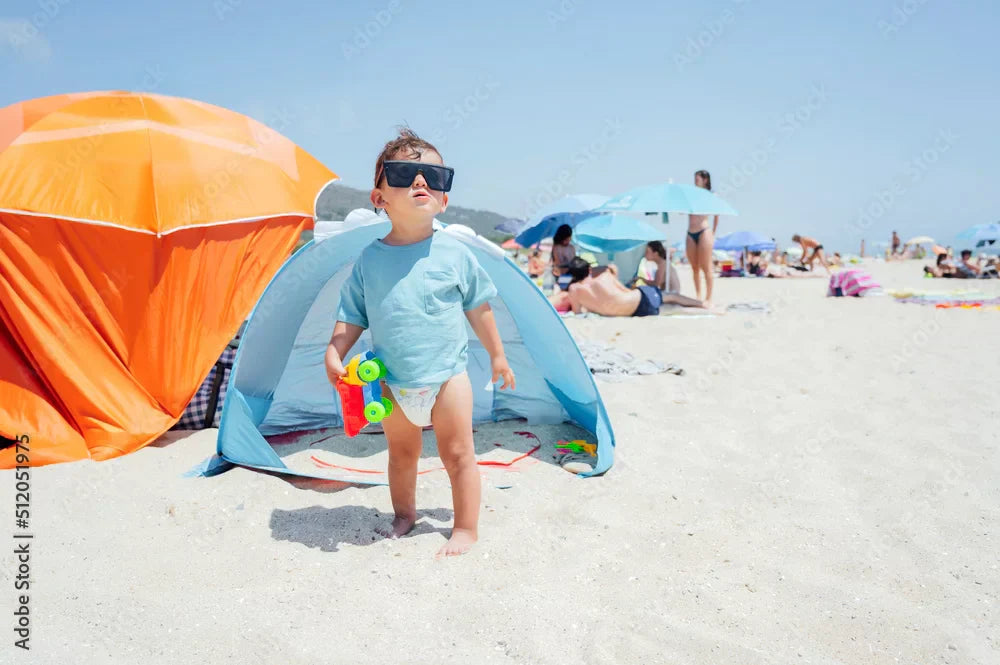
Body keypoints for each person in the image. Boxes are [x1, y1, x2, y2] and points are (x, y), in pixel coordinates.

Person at [324, 128, 515, 558]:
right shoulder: (369, 260)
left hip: (448, 378)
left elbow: (479, 309)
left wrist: (498, 356)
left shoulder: (455, 254)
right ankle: (404, 513)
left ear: (444, 200)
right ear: (379, 198)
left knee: (459, 454)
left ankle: (465, 527)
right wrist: (335, 350)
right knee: (401, 453)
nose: (421, 182)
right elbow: (351, 314)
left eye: (434, 175)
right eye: (405, 172)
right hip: (392, 380)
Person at [560, 257, 707, 316]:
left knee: (675, 310)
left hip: (632, 312)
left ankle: (706, 309)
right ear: (590, 270)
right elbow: (625, 291)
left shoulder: (574, 290)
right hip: (638, 298)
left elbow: (578, 312)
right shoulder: (604, 277)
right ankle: (704, 305)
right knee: (672, 297)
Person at [686, 170, 719, 306]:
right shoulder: (690, 196)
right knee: (694, 267)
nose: (695, 182)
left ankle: (708, 298)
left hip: (704, 230)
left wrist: (713, 232)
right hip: (690, 232)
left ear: (705, 180)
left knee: (706, 267)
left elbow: (717, 215)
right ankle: (698, 296)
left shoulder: (711, 195)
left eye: (697, 179)